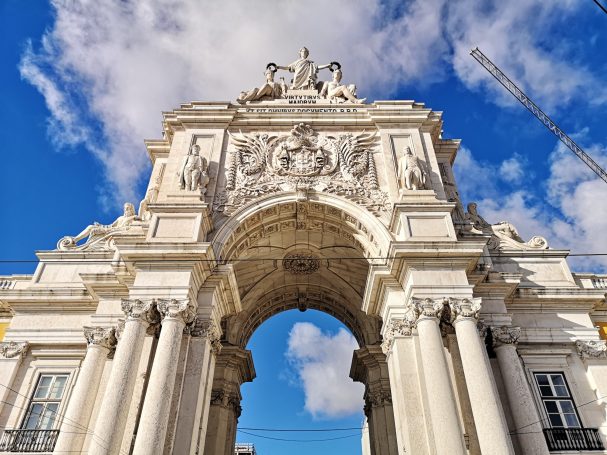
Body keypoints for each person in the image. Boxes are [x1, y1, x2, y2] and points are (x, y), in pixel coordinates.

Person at [60, 202, 137, 248]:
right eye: (125, 209)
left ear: (131, 210)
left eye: (127, 208)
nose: (126, 210)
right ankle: (75, 239)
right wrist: (100, 225)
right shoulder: (120, 218)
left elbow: (127, 229)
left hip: (115, 232)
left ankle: (85, 245)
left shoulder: (133, 218)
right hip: (109, 230)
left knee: (93, 230)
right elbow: (110, 226)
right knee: (91, 227)